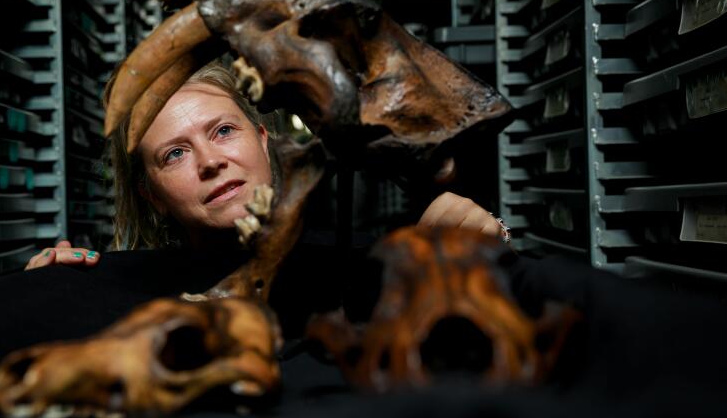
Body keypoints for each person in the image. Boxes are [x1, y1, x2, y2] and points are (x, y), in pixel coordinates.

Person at [25, 61, 504, 270]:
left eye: (223, 131)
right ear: (151, 194)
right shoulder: (122, 293)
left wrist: (486, 247)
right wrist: (51, 299)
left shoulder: (373, 266)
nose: (212, 162)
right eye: (175, 153)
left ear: (263, 141)